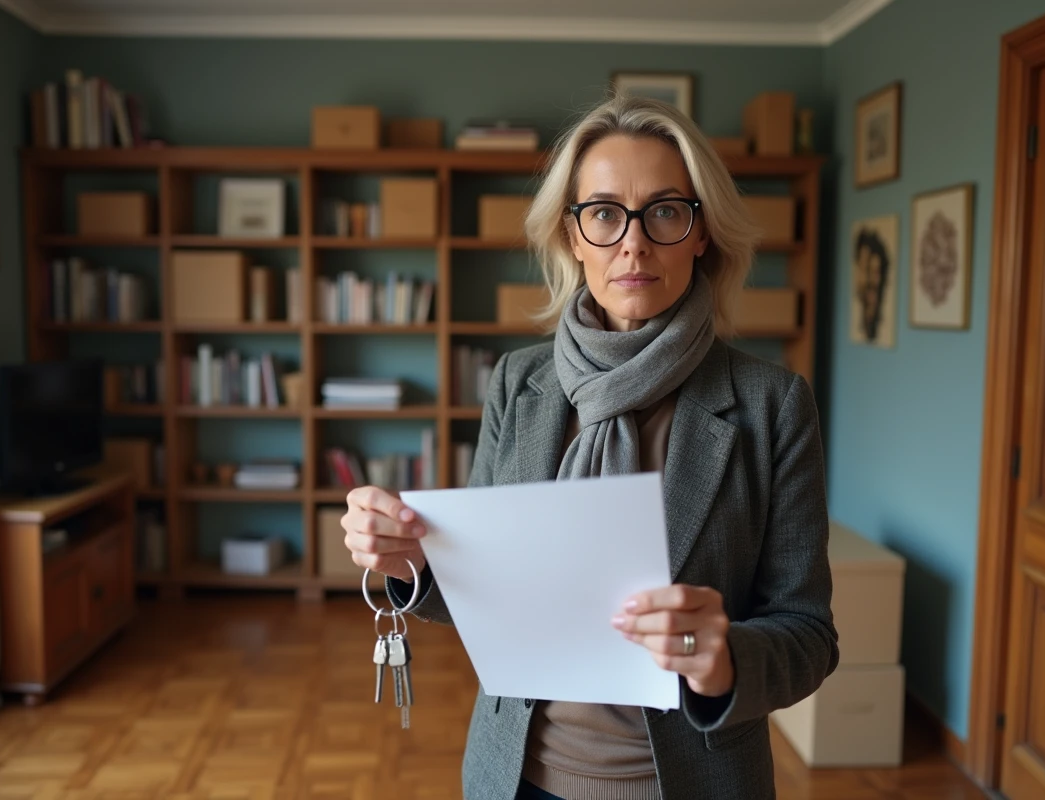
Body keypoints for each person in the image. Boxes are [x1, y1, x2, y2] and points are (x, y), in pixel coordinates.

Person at [340, 93, 838, 800]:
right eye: (604, 213)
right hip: (517, 778)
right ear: (572, 236)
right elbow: (482, 595)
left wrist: (722, 657)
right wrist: (413, 559)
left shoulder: (771, 405)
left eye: (665, 210)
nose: (632, 242)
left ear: (702, 233)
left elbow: (809, 636)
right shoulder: (518, 382)